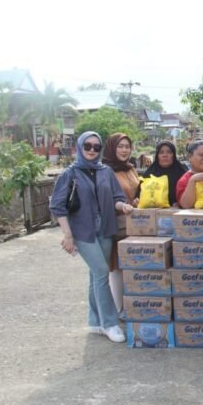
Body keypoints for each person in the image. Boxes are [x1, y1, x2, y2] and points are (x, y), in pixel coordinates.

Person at [49, 131, 135, 343]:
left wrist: (123, 205)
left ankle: (95, 320)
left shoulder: (105, 171)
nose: (91, 150)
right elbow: (57, 206)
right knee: (101, 272)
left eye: (96, 147)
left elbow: (116, 197)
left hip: (105, 228)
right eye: (87, 146)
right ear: (79, 147)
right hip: (83, 231)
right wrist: (67, 235)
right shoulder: (70, 174)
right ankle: (110, 322)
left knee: (94, 276)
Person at [101, 133, 141, 316]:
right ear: (112, 148)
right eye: (120, 146)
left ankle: (131, 305)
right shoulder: (105, 170)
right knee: (117, 266)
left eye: (127, 146)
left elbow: (136, 189)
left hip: (135, 223)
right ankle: (119, 309)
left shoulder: (130, 168)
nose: (124, 150)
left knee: (132, 265)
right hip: (116, 224)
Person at [140, 141, 188, 207]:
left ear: (174, 155)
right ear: (157, 156)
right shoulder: (149, 174)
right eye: (161, 152)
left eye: (169, 152)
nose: (165, 155)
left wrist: (180, 204)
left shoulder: (182, 174)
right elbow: (139, 197)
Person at [176, 140, 203, 209]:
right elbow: (186, 205)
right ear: (190, 156)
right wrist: (192, 181)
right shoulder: (184, 180)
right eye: (201, 155)